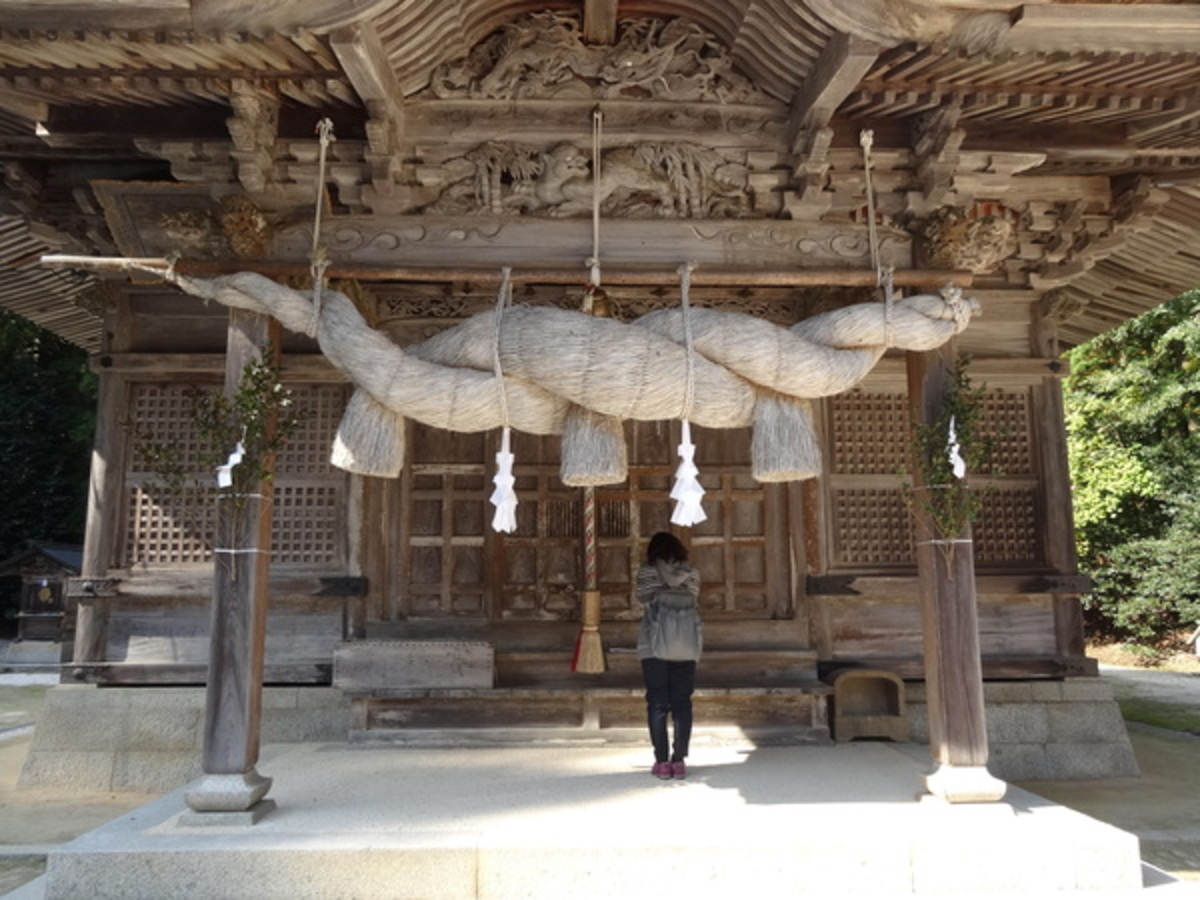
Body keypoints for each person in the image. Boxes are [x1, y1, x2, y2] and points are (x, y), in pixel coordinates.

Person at [636, 531, 702, 779]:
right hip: (685, 645)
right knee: (682, 703)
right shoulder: (692, 574)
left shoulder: (646, 573)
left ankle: (662, 762)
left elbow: (641, 599)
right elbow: (694, 599)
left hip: (653, 645)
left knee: (657, 703)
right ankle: (679, 760)